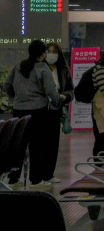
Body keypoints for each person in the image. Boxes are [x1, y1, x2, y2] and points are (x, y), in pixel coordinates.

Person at [4, 40, 61, 189]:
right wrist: (57, 102)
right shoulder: (42, 68)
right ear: (42, 54)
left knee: (19, 145)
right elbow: (51, 91)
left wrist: (14, 99)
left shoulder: (18, 66)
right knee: (37, 145)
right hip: (38, 112)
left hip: (18, 111)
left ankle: (13, 179)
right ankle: (36, 180)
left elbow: (6, 85)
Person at [42, 42, 74, 184]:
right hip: (41, 109)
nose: (51, 54)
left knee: (53, 143)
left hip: (56, 109)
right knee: (41, 143)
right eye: (48, 51)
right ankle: (38, 174)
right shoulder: (40, 68)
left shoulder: (63, 70)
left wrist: (65, 96)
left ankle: (49, 174)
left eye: (54, 51)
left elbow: (71, 91)